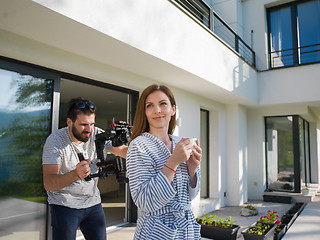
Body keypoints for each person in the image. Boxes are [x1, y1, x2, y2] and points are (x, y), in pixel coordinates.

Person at [42, 97, 127, 240]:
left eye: (92, 124)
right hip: (64, 205)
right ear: (69, 122)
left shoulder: (95, 133)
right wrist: (75, 174)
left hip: (93, 204)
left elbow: (122, 150)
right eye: (83, 125)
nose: (89, 130)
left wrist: (142, 149)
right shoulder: (55, 141)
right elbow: (49, 183)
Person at [126, 84, 202, 239]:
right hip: (156, 230)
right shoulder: (138, 145)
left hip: (187, 227)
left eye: (163, 104)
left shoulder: (182, 142)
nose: (157, 110)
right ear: (145, 112)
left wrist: (192, 170)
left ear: (173, 109)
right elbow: (144, 201)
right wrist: (173, 162)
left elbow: (190, 196)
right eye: (150, 106)